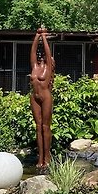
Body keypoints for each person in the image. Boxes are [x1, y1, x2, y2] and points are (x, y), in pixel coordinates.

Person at [30, 28, 54, 169]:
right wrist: (37, 36)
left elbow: (47, 52)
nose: (40, 57)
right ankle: (40, 158)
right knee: (38, 127)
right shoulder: (35, 66)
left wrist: (44, 38)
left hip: (45, 97)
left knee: (45, 127)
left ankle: (47, 157)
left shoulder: (48, 67)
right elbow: (32, 52)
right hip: (34, 97)